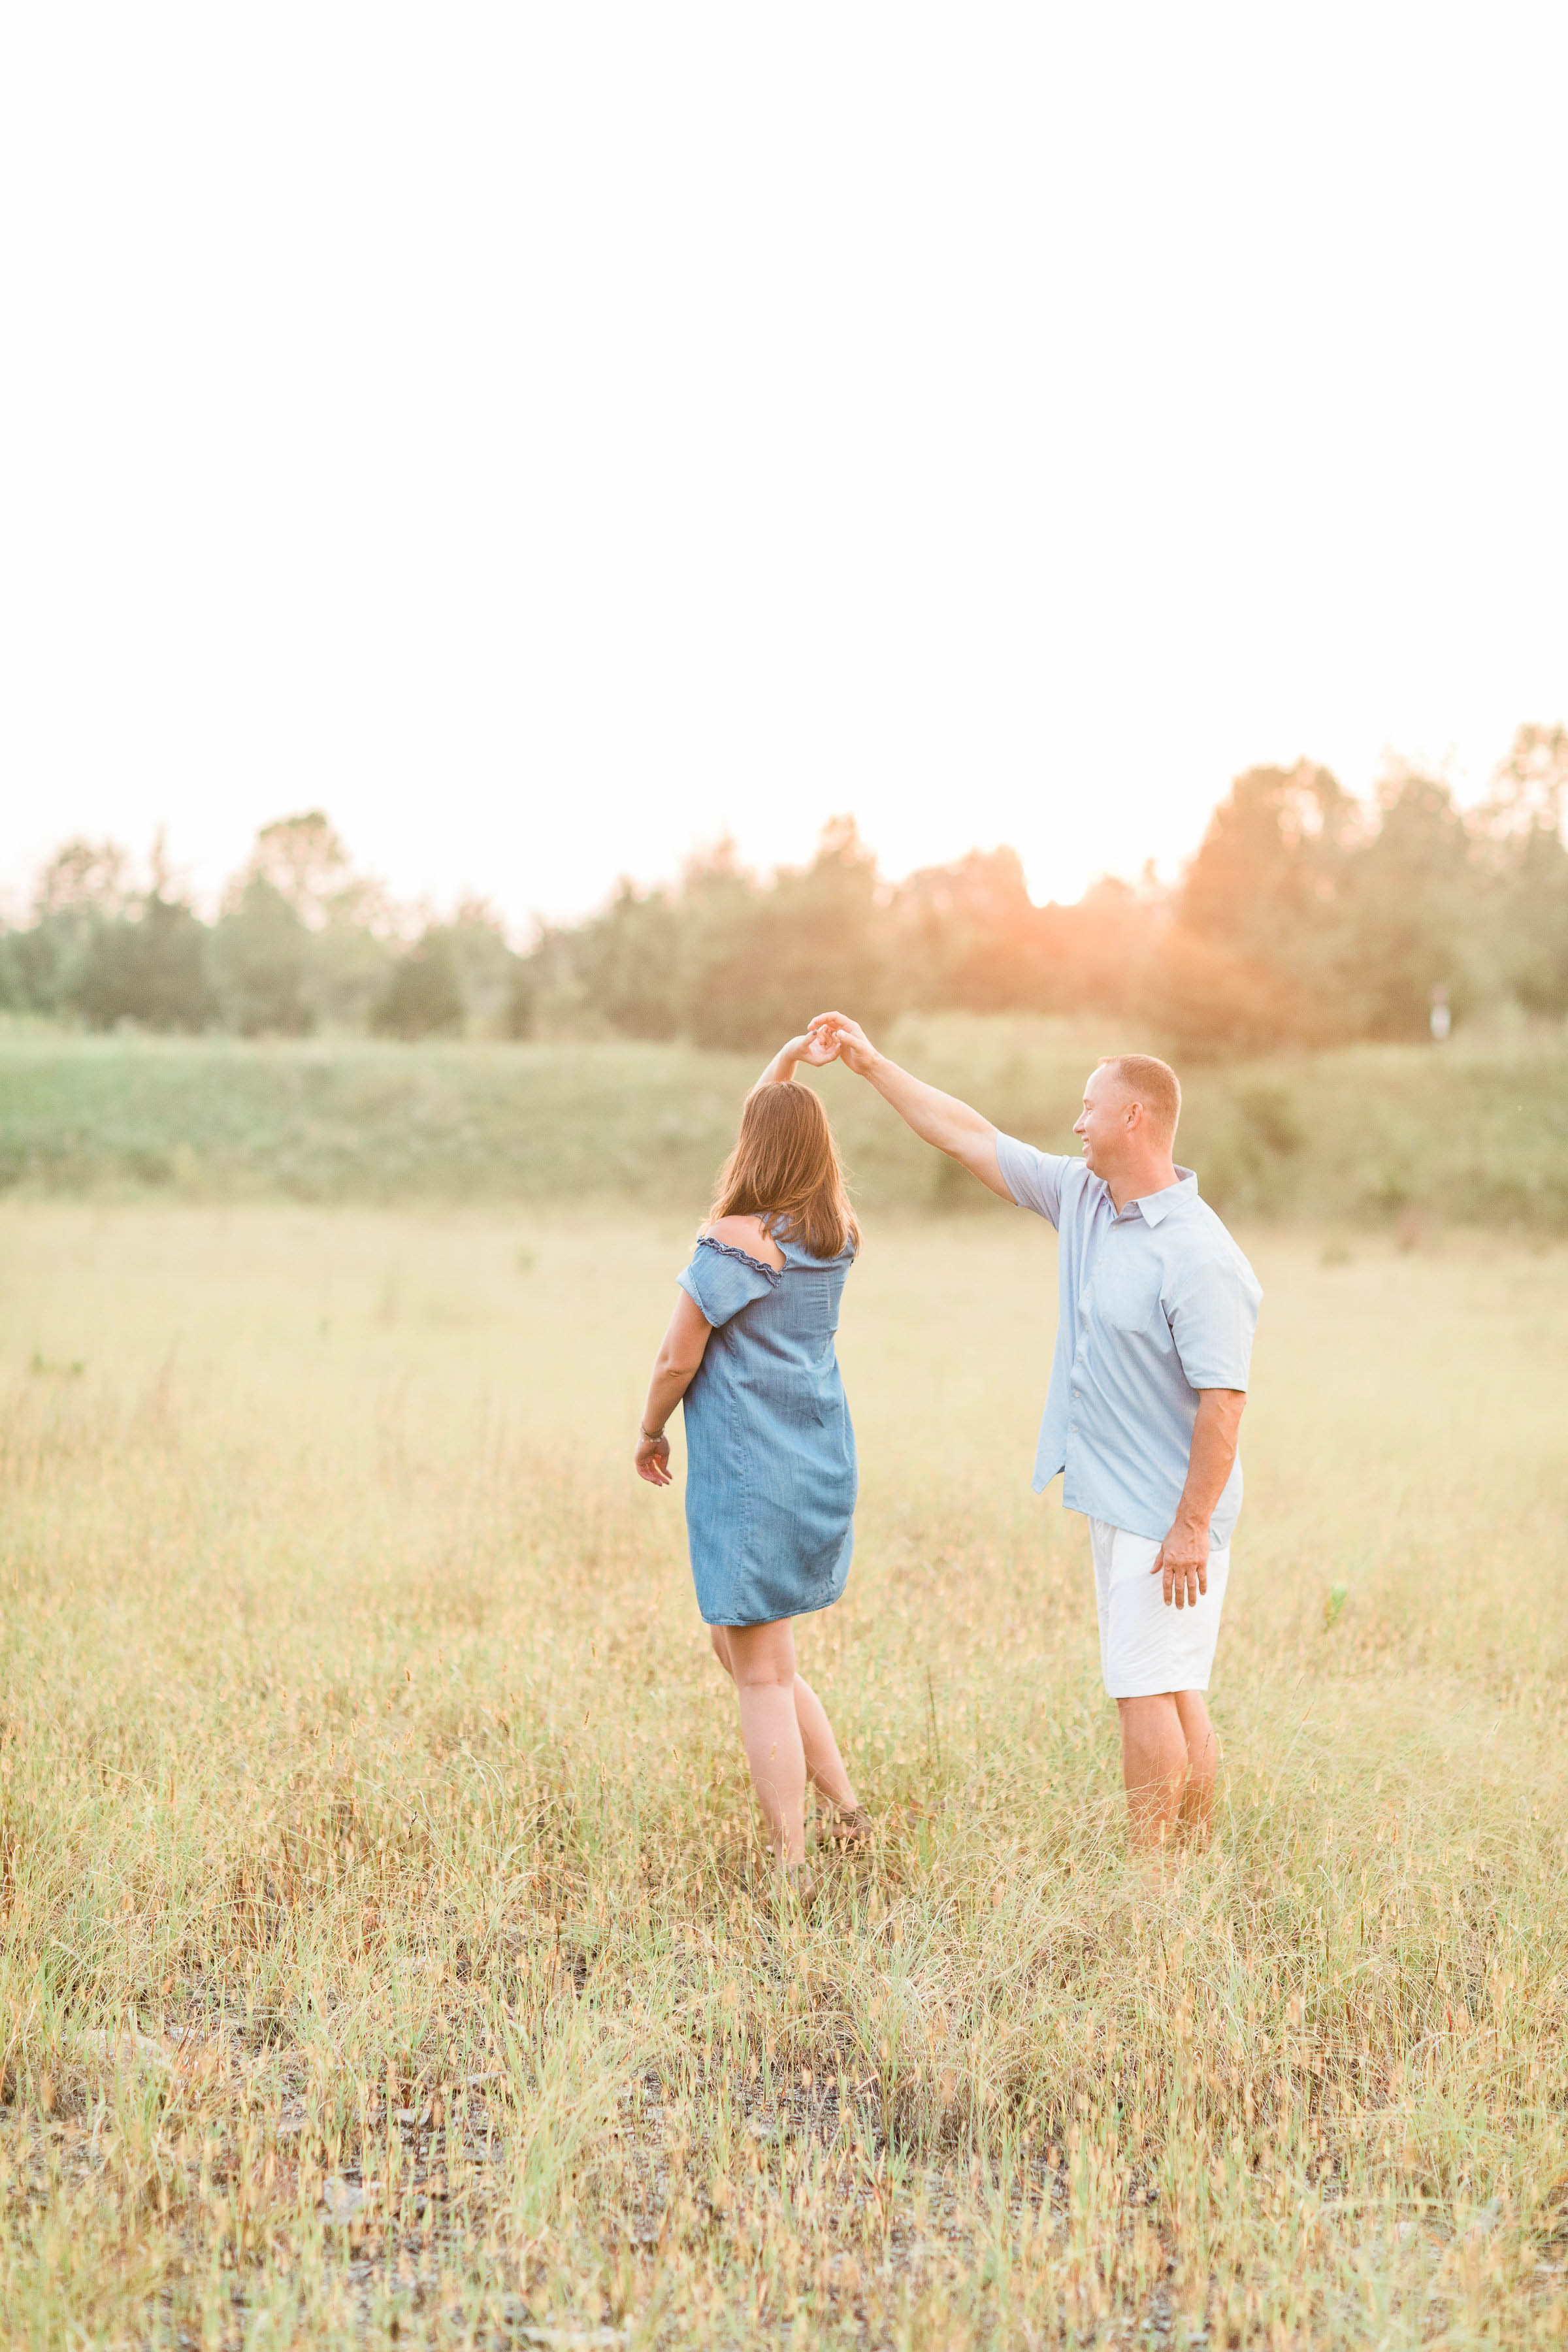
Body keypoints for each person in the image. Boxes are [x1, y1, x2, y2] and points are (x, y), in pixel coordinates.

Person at [808, 1013, 1261, 1850]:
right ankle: (1192, 1862)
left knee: (1144, 1690)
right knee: (1174, 1685)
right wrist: (871, 1065)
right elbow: (971, 1136)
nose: (1076, 1122)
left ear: (1135, 1119)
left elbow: (1224, 1402)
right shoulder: (1084, 1198)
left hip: (1165, 1517)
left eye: (1090, 1107)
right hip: (1119, 1498)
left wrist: (1190, 1526)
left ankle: (1153, 1881)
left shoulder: (1200, 1254)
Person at [634, 1034, 870, 1884]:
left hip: (751, 1476)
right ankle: (847, 1814)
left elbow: (675, 1358)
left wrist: (651, 1429)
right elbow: (768, 1121)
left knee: (759, 1676)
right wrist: (787, 1064)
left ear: (751, 1150)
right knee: (749, 1652)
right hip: (817, 1465)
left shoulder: (732, 1241)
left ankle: (792, 1866)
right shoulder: (832, 1237)